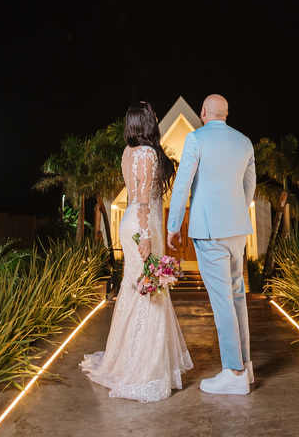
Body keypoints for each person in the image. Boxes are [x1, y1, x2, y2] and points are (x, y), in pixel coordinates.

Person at [81, 102, 193, 402]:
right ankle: (144, 367)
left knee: (136, 289)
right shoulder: (145, 153)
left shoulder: (128, 152)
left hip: (133, 222)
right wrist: (145, 236)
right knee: (150, 291)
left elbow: (136, 195)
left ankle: (129, 356)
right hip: (143, 226)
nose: (157, 118)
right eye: (154, 116)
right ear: (146, 121)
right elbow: (143, 199)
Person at [167, 94, 257, 395]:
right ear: (227, 114)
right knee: (237, 297)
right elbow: (249, 186)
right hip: (237, 231)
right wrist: (235, 215)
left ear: (204, 112)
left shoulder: (196, 139)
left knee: (222, 303)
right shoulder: (245, 141)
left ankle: (233, 372)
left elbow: (182, 184)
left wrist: (173, 225)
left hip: (209, 230)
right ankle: (245, 366)